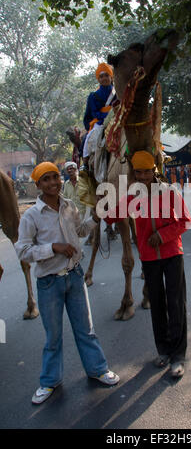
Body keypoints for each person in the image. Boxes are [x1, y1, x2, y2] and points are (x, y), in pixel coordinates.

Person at [14, 162, 119, 405]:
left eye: (55, 177)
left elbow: (81, 231)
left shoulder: (69, 206)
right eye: (46, 179)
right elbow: (23, 251)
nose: (53, 182)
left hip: (74, 275)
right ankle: (49, 381)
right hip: (49, 284)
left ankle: (98, 369)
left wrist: (94, 217)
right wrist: (53, 248)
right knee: (53, 337)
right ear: (38, 185)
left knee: (86, 330)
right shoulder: (31, 216)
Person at [101, 151, 191, 378]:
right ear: (134, 173)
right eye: (138, 172)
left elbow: (185, 221)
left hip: (172, 254)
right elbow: (111, 216)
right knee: (157, 305)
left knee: (176, 303)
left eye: (146, 171)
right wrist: (101, 203)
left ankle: (178, 356)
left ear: (155, 171)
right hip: (149, 259)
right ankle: (163, 350)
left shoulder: (170, 192)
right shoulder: (132, 196)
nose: (143, 176)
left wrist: (162, 235)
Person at [81, 62, 116, 166]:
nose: (104, 78)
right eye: (101, 76)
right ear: (98, 79)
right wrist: (105, 118)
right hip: (100, 122)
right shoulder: (93, 96)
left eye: (106, 75)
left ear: (111, 77)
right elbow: (94, 112)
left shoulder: (117, 93)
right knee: (90, 137)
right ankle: (85, 164)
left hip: (116, 120)